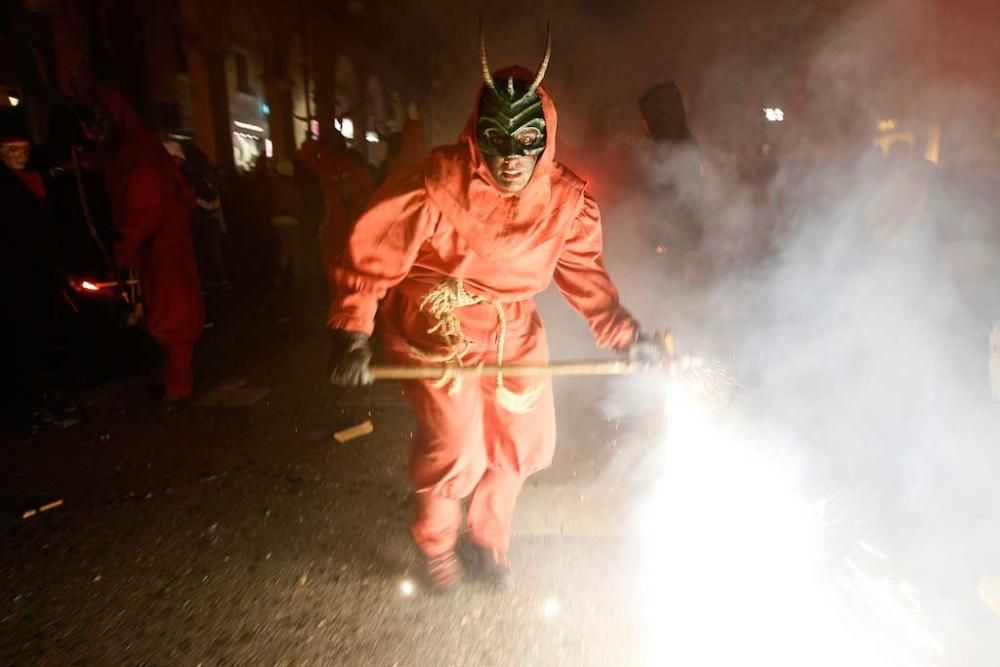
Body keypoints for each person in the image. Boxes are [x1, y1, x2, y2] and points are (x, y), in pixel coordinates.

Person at [326, 32, 662, 591]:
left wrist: (628, 338)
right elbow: (372, 255)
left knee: (519, 441)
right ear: (476, 135)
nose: (510, 158)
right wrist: (351, 331)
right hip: (438, 324)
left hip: (514, 330)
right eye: (496, 139)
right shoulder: (432, 186)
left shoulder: (566, 201)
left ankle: (487, 542)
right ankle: (436, 543)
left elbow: (586, 281)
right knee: (456, 445)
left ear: (545, 139)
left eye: (525, 140)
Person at [77, 87, 204, 411]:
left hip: (161, 250)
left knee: (173, 318)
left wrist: (125, 251)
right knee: (170, 315)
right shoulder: (134, 153)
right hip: (161, 249)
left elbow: (142, 211)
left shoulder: (138, 158)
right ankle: (174, 381)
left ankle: (178, 387)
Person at [0, 107, 78, 436]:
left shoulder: (29, 180)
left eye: (24, 149)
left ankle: (40, 398)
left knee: (40, 339)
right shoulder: (6, 188)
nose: (20, 156)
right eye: (12, 150)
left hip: (36, 274)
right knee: (20, 343)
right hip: (13, 279)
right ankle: (27, 410)